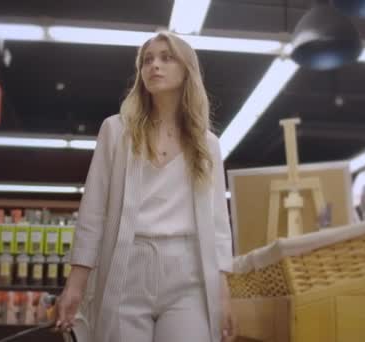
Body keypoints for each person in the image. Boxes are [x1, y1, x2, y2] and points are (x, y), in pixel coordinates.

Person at [55, 31, 235, 342]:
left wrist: (224, 294)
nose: (154, 66)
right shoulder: (116, 131)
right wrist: (76, 284)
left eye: (167, 58)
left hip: (188, 272)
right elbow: (93, 210)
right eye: (147, 60)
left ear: (187, 70)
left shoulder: (207, 145)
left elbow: (219, 225)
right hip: (127, 269)